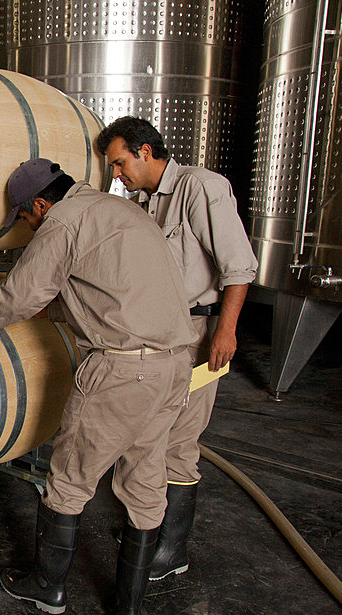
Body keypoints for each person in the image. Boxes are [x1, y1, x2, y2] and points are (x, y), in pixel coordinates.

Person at [0, 158, 195, 615]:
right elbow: (114, 287)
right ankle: (129, 614)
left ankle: (47, 588)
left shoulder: (63, 221)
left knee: (69, 479)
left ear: (42, 204)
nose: (28, 227)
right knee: (146, 479)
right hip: (173, 363)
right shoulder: (120, 209)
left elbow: (23, 291)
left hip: (122, 369)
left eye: (25, 218)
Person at [96, 117, 258, 581]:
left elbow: (238, 267)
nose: (117, 175)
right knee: (147, 434)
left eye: (121, 163)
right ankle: (148, 527)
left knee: (181, 441)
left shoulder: (201, 187)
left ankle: (171, 549)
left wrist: (225, 333)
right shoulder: (146, 204)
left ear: (146, 151)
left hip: (198, 333)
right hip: (160, 334)